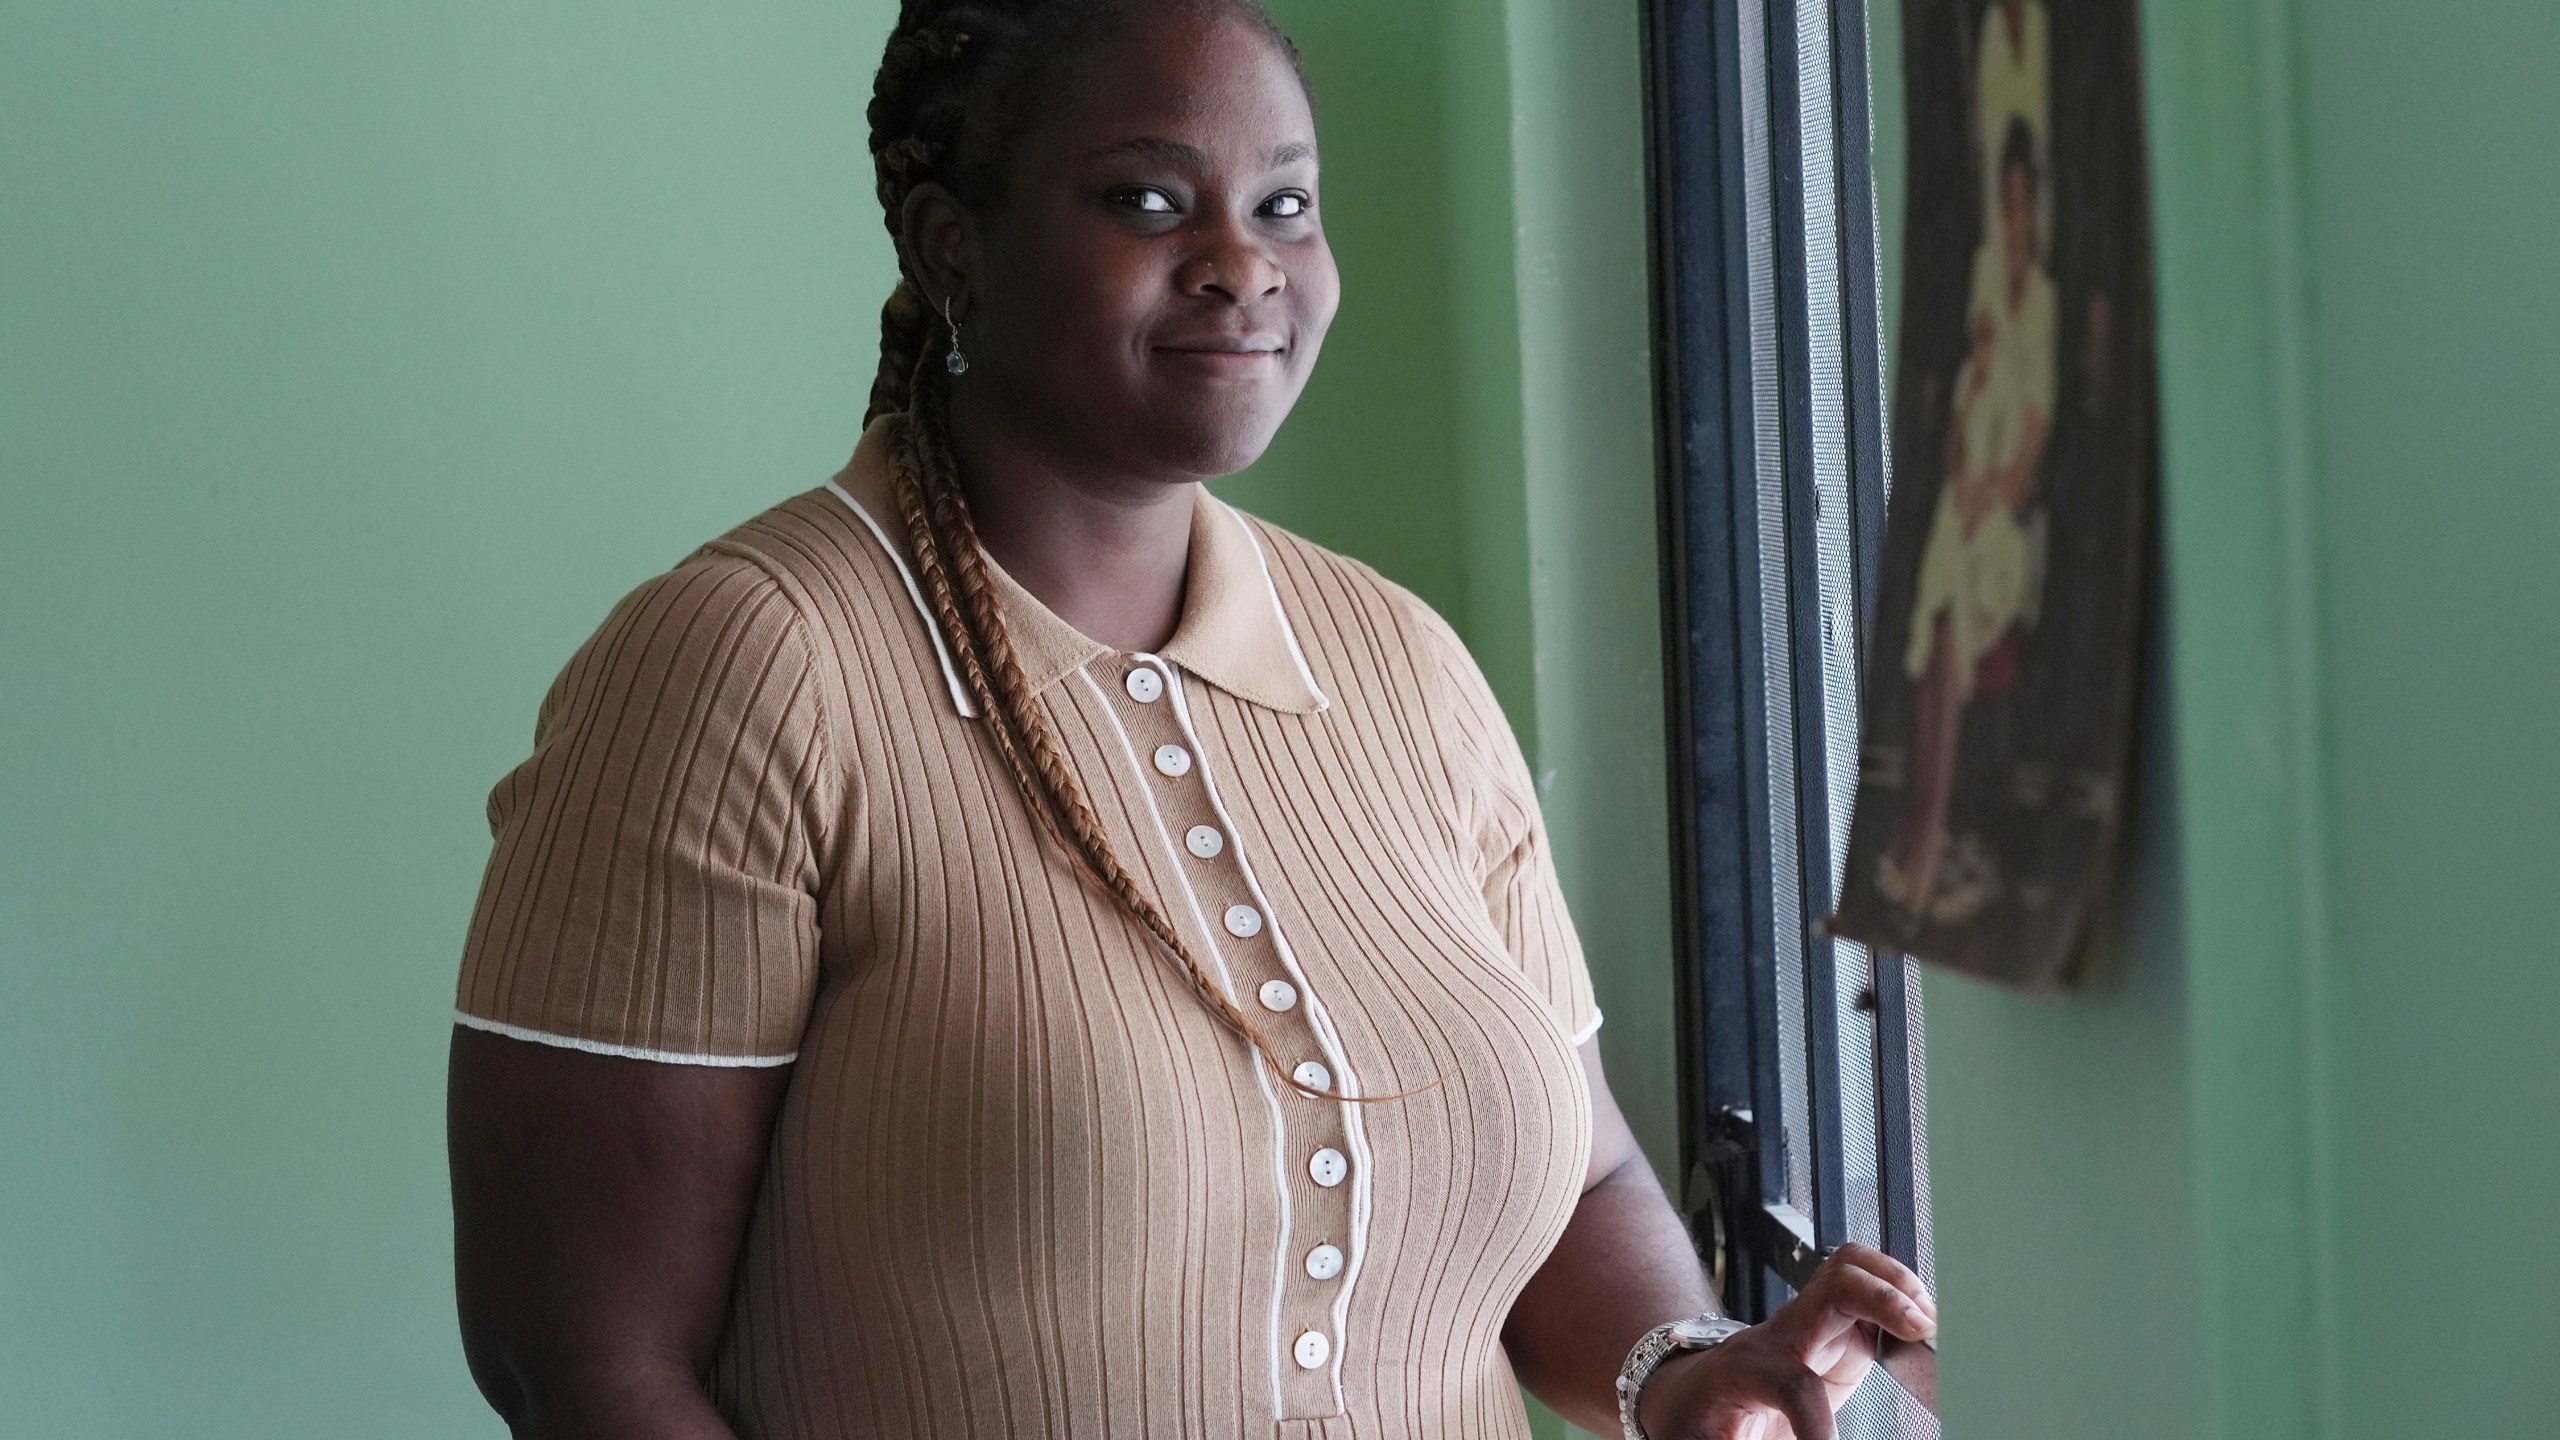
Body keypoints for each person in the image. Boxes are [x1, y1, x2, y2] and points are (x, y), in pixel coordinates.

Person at [445, 3, 1935, 1438]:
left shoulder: (1402, 666)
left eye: (1286, 206)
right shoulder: (747, 666)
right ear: (950, 241)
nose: (1241, 264)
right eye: (1150, 202)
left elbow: (1584, 1184)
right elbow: (582, 1368)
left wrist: (1679, 1378)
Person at [1887, 115, 2057, 925]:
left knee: (1950, 612)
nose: (2016, 226)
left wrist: (1987, 492)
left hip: (2011, 513)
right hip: (1971, 500)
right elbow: (1966, 415)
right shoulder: (1993, 290)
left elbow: (2028, 444)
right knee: (1933, 606)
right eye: (2008, 206)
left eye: (2026, 209)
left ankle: (1928, 832)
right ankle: (1925, 819)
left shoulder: (2046, 307)